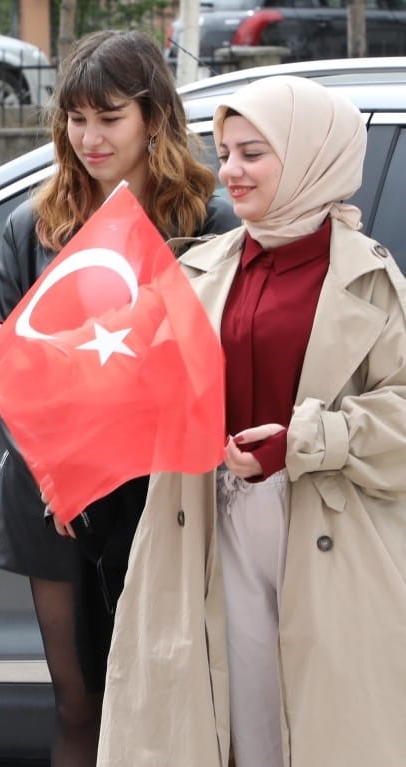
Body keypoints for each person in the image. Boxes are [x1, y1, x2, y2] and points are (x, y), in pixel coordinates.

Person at [97, 76, 406, 767]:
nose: (230, 171)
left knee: (325, 724)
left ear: (309, 157)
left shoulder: (373, 282)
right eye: (226, 152)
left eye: (252, 153)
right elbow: (125, 361)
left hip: (334, 526)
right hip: (209, 519)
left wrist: (303, 441)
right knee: (236, 724)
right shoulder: (200, 268)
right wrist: (28, 351)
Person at [0, 30, 238, 767]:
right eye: (76, 119)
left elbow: (212, 366)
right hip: (53, 491)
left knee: (163, 700)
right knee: (77, 703)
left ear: (153, 117)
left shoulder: (206, 222)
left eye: (109, 118)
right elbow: (12, 377)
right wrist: (52, 456)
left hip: (164, 488)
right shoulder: (33, 225)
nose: (89, 138)